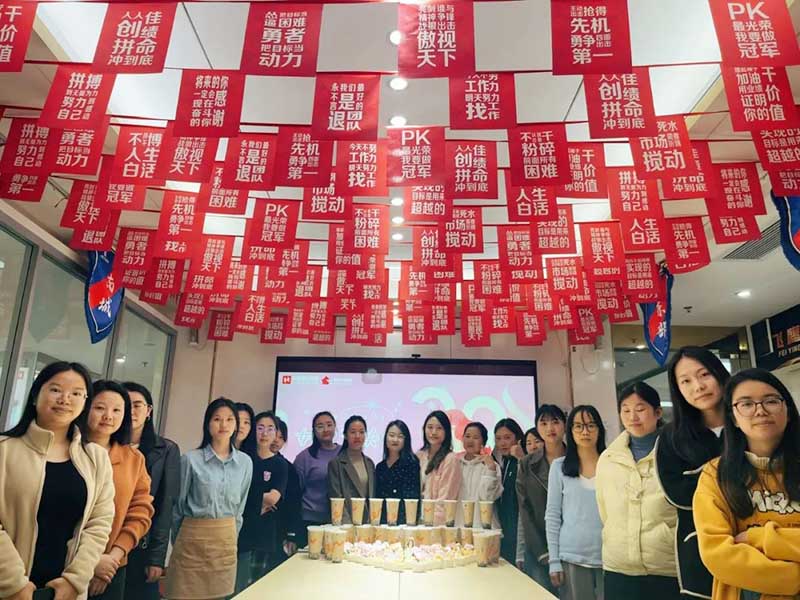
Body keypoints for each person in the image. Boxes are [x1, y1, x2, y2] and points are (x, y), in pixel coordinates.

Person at [0, 362, 114, 600]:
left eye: (76, 393)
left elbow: (99, 523)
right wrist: (14, 584)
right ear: (35, 396)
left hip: (66, 593)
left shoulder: (96, 458)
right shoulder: (4, 450)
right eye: (55, 390)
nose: (65, 399)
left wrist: (75, 581)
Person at [694, 368, 800, 600]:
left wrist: (759, 538)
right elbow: (717, 554)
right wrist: (794, 578)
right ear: (733, 418)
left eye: (771, 401)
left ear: (788, 411)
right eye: (746, 404)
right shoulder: (715, 474)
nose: (760, 411)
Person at [656, 347, 730, 599]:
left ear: (719, 373)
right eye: (685, 381)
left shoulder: (748, 421)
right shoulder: (671, 436)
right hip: (699, 549)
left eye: (704, 374)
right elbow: (676, 494)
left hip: (759, 544)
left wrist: (702, 478)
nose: (698, 386)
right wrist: (733, 476)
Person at [596, 382, 679, 600]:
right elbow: (604, 510)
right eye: (625, 410)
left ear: (657, 412)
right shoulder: (608, 458)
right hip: (618, 566)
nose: (632, 417)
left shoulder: (677, 453)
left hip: (666, 566)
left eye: (640, 409)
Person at [165, 397, 252, 600]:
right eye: (217, 419)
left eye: (230, 419)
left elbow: (240, 508)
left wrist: (231, 537)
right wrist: (180, 541)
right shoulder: (190, 459)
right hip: (191, 542)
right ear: (207, 423)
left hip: (225, 543)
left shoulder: (245, 462)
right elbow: (177, 508)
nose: (224, 425)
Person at [82, 380, 154, 600]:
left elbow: (140, 512)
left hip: (112, 567)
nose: (108, 416)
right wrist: (92, 561)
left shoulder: (134, 459)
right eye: (100, 408)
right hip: (64, 564)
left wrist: (113, 557)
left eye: (117, 410)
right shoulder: (68, 450)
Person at [122, 382, 180, 600]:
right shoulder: (106, 445)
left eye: (138, 405)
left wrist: (157, 558)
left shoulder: (166, 450)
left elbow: (166, 505)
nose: (131, 411)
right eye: (125, 405)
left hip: (142, 545)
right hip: (105, 542)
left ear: (149, 411)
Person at [545, 405, 606, 600]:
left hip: (610, 555)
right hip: (572, 555)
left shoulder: (611, 464)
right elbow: (552, 516)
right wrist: (554, 560)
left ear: (600, 429)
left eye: (591, 425)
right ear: (570, 431)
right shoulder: (559, 467)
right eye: (578, 426)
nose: (585, 432)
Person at [236, 412, 288, 592]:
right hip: (239, 532)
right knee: (235, 587)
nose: (265, 433)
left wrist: (249, 498)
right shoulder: (244, 458)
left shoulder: (280, 464)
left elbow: (273, 498)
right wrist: (259, 501)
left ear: (276, 433)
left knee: (255, 588)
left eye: (270, 429)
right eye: (260, 428)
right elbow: (235, 494)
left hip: (263, 535)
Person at [517, 404, 566, 591]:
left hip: (571, 546)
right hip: (538, 547)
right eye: (544, 423)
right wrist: (541, 551)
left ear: (564, 425)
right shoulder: (527, 464)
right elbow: (524, 509)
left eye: (555, 422)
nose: (550, 428)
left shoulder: (576, 459)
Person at [294, 411, 339, 543]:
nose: (325, 429)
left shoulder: (344, 453)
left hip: (338, 519)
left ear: (335, 427)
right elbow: (296, 491)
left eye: (329, 425)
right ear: (314, 430)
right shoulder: (304, 457)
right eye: (320, 426)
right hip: (310, 519)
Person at [416, 411, 462, 525]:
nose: (433, 432)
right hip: (417, 520)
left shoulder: (450, 459)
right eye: (430, 427)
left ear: (446, 431)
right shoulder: (419, 456)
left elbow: (446, 499)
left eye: (439, 428)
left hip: (436, 524)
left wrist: (431, 523)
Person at [328, 416, 376, 524]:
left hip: (367, 524)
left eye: (361, 432)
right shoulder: (336, 463)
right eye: (353, 432)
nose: (357, 436)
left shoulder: (370, 463)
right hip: (346, 524)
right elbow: (336, 498)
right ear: (345, 435)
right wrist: (348, 526)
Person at [375, 420, 421, 524]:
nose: (395, 440)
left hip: (404, 522)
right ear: (386, 438)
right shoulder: (380, 467)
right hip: (382, 522)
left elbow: (413, 497)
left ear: (406, 440)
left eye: (400, 436)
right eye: (391, 435)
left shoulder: (412, 463)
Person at [457, 422, 502, 528]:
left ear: (483, 442)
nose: (470, 440)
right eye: (467, 436)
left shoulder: (491, 465)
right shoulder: (456, 464)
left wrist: (491, 469)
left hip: (484, 525)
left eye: (476, 437)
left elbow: (487, 497)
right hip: (459, 524)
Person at [493, 418, 525, 565]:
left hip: (520, 530)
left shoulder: (522, 460)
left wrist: (521, 458)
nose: (502, 443)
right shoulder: (502, 462)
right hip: (504, 528)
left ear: (517, 438)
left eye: (507, 438)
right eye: (498, 439)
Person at [272, 417, 300, 564]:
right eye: (274, 435)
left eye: (281, 437)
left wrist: (291, 535)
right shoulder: (249, 462)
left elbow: (294, 503)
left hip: (279, 531)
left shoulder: (288, 468)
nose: (276, 441)